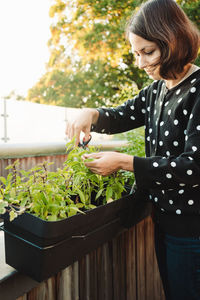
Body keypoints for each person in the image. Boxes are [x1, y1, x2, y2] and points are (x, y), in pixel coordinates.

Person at [65, 0, 200, 299]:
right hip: (163, 220)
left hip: (192, 230)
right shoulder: (157, 89)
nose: (140, 63)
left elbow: (194, 167)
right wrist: (91, 113)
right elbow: (120, 115)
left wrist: (125, 162)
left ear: (174, 40)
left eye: (148, 52)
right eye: (136, 54)